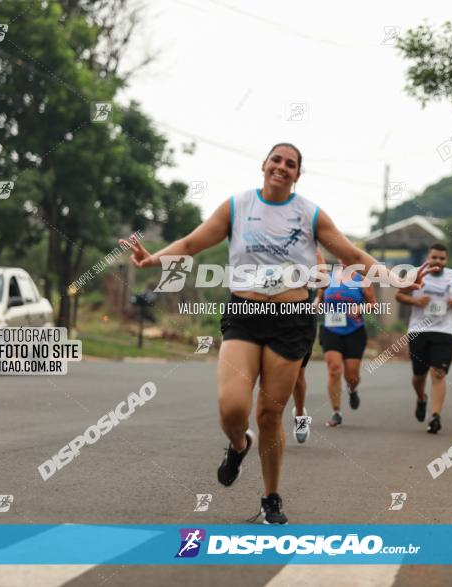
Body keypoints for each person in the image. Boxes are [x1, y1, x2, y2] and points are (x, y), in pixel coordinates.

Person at [122, 143, 414, 524]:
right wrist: (153, 258)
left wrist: (400, 279)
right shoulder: (237, 206)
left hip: (291, 319)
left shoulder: (309, 214)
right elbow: (193, 243)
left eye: (291, 164)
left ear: (297, 174)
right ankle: (238, 445)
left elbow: (353, 255)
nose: (282, 167)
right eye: (276, 160)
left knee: (269, 413)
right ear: (264, 165)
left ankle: (270, 497)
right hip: (245, 314)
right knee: (232, 407)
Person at [396, 244, 452, 433]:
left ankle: (435, 416)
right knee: (419, 376)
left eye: (442, 258)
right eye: (434, 257)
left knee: (438, 373)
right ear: (428, 257)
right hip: (419, 330)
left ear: (446, 260)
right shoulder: (415, 274)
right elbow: (399, 295)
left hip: (443, 331)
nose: (438, 262)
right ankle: (421, 398)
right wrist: (416, 301)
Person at [318, 258, 376, 427]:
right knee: (334, 370)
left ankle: (352, 389)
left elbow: (373, 304)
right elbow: (320, 299)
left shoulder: (362, 279)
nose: (344, 260)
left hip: (354, 332)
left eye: (348, 256)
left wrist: (360, 308)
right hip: (331, 330)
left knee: (352, 376)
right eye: (341, 256)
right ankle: (336, 412)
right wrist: (316, 305)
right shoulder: (327, 277)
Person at [291, 249, 326, 444]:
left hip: (300, 317)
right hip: (266, 314)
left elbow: (323, 279)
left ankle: (300, 416)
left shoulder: (311, 249)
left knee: (297, 375)